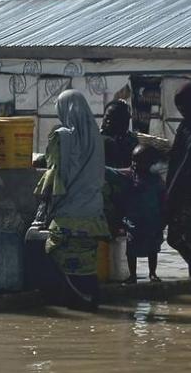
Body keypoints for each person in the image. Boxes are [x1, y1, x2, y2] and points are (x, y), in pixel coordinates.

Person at [28, 90, 108, 311]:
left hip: (68, 214)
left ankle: (73, 307)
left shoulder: (61, 137)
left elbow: (54, 177)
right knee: (86, 264)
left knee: (60, 258)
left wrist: (43, 211)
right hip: (94, 215)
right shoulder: (97, 138)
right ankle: (91, 306)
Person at [106, 145, 166, 284]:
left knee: (153, 250)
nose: (135, 164)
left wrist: (163, 221)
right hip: (133, 222)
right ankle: (132, 275)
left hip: (153, 222)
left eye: (139, 161)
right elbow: (111, 172)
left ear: (151, 163)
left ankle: (152, 273)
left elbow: (164, 200)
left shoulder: (157, 180)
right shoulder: (129, 175)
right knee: (131, 250)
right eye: (133, 160)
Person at [166, 82, 191, 275]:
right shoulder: (186, 124)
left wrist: (169, 197)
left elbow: (185, 164)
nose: (181, 111)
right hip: (182, 193)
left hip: (185, 195)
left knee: (176, 237)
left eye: (184, 106)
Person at [100, 99, 138, 168]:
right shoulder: (96, 140)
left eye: (113, 118)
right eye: (107, 117)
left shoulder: (132, 142)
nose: (108, 122)